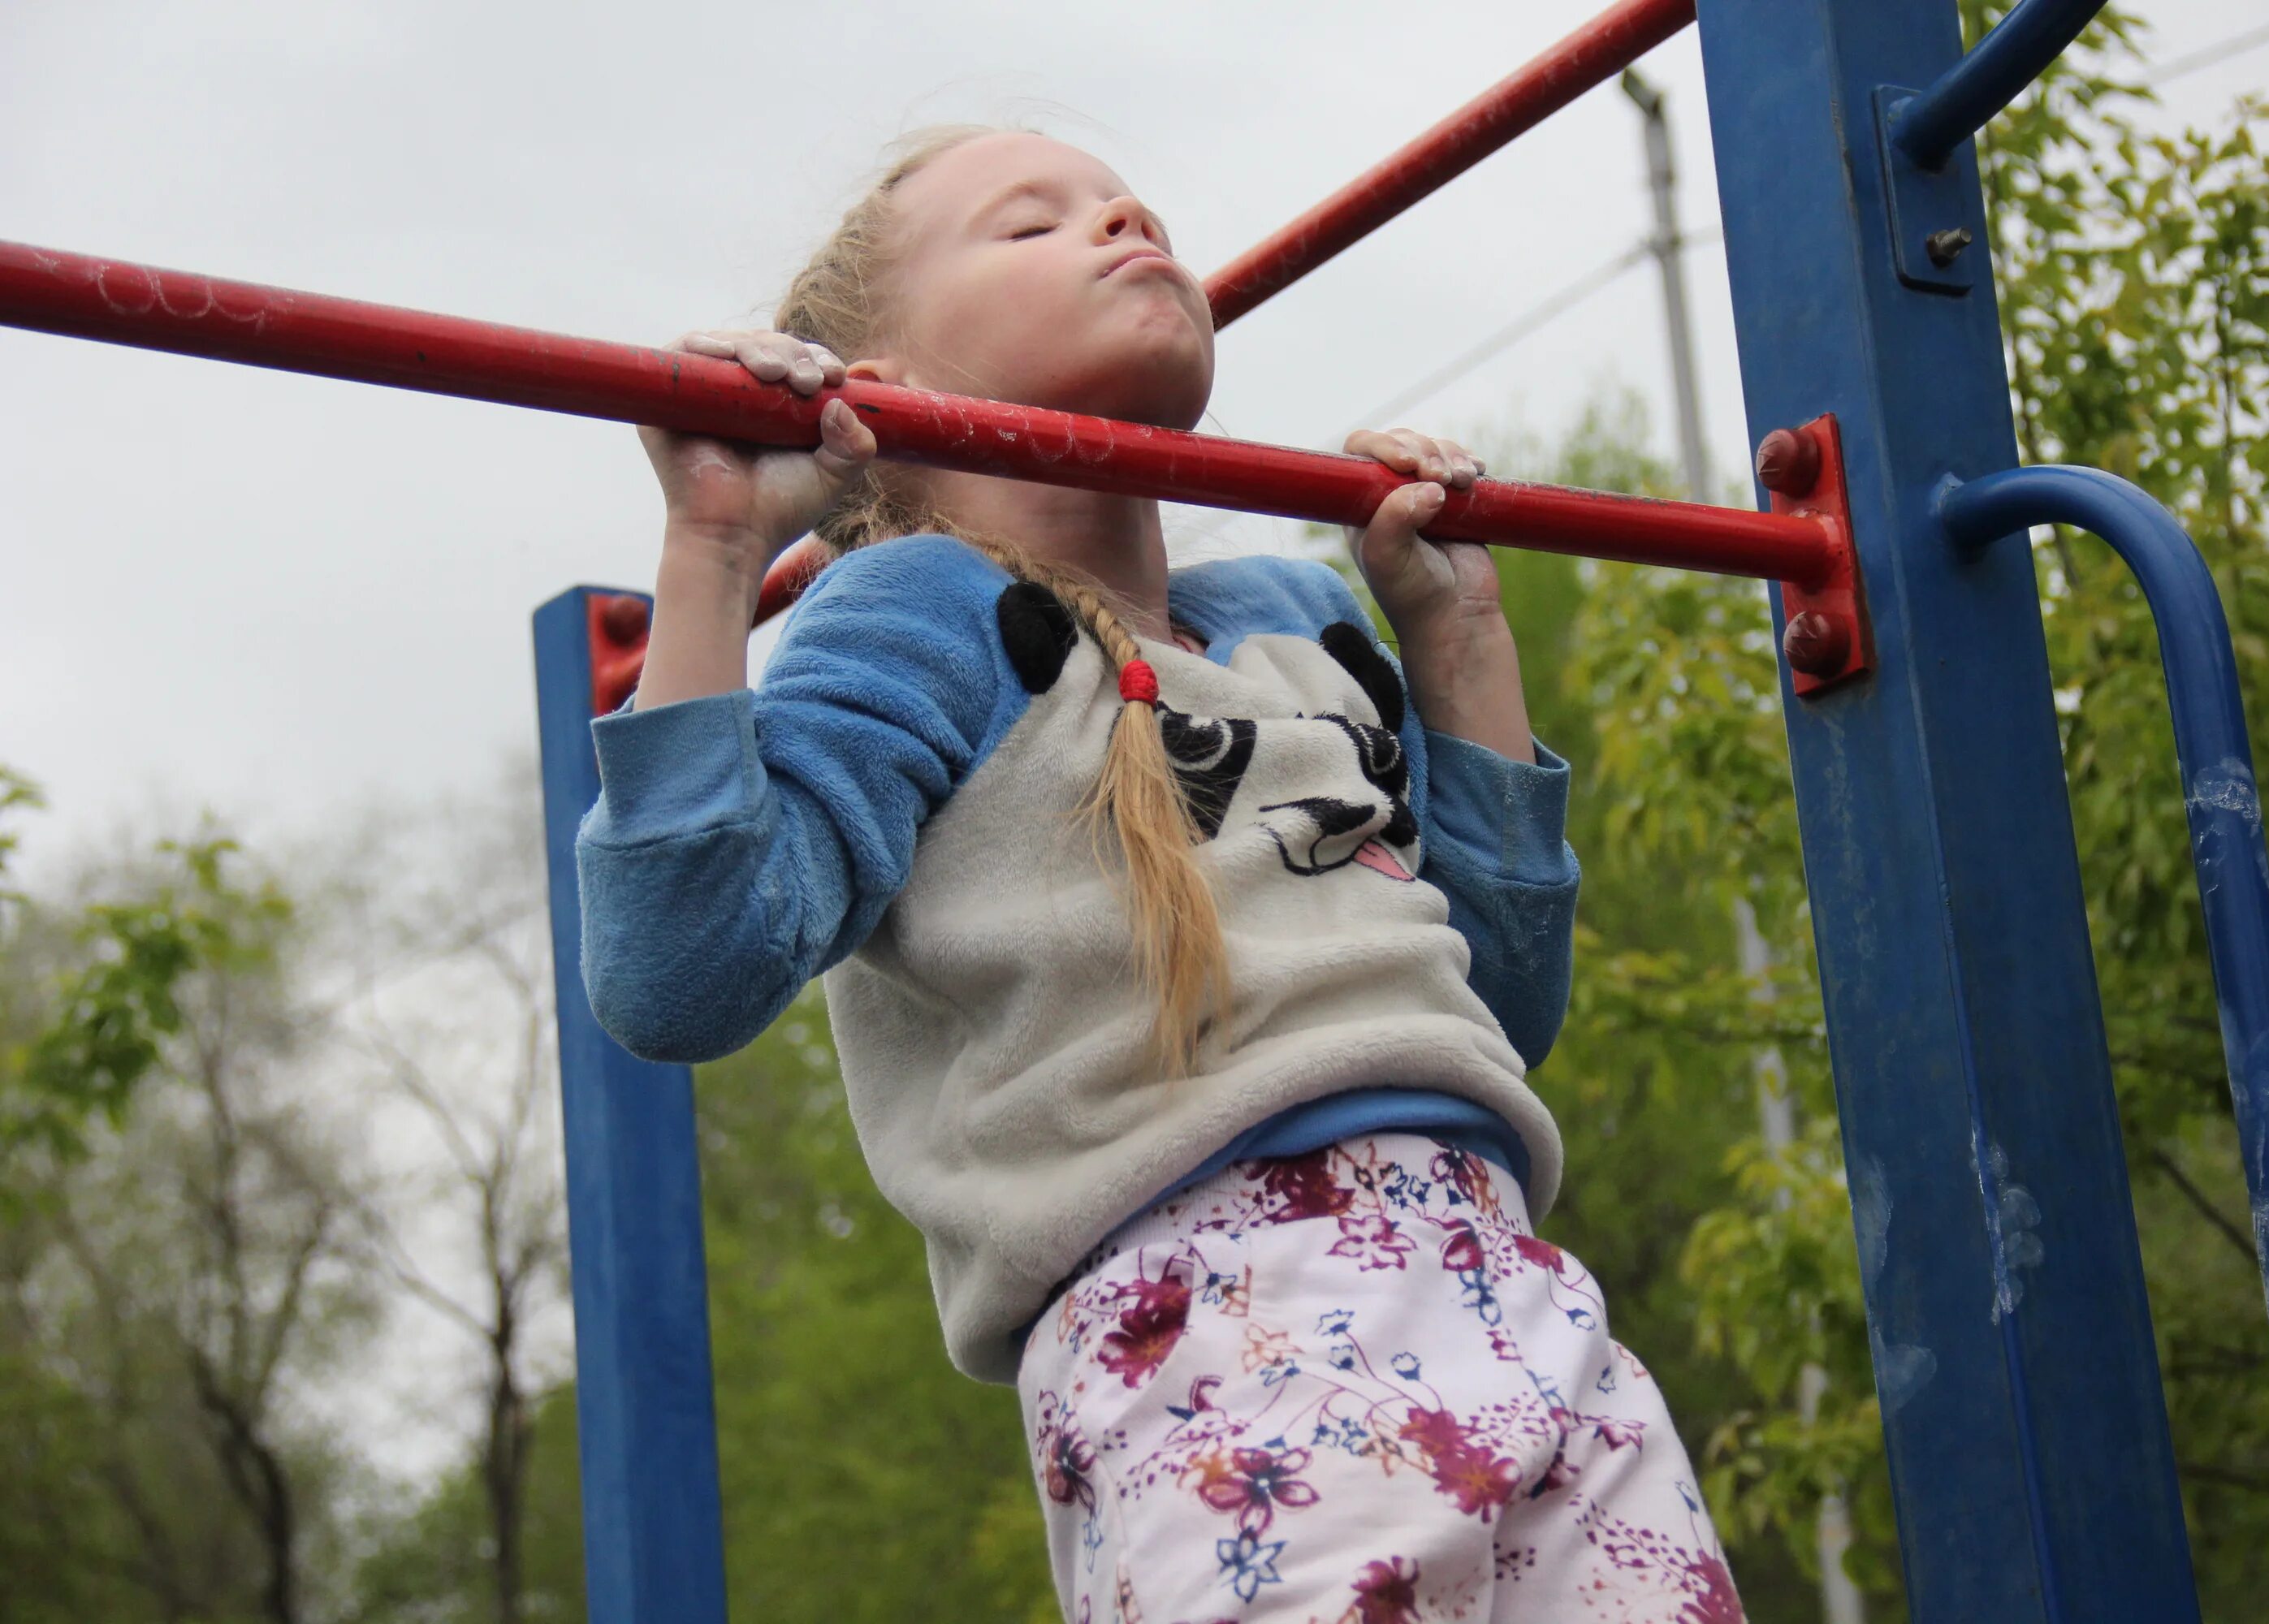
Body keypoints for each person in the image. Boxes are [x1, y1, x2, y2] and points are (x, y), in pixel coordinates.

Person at [576, 123, 1744, 1623]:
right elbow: (680, 973)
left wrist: (1458, 646)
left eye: (1125, 202)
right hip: (1216, 1317)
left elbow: (1489, 1014)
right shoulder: (920, 615)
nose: (1121, 213)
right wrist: (714, 558)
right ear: (882, 380)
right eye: (1028, 225)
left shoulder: (1297, 616)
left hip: (1507, 1271)